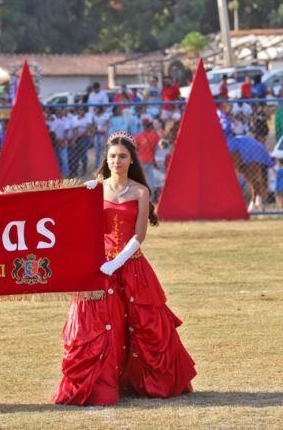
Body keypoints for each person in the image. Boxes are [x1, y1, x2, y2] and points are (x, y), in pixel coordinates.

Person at [55, 131, 195, 406]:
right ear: (106, 159)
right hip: (100, 267)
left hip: (131, 266)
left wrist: (117, 262)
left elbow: (139, 235)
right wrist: (82, 198)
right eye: (112, 156)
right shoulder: (95, 189)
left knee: (146, 326)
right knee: (97, 328)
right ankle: (99, 385)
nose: (116, 161)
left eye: (122, 156)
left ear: (131, 160)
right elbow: (78, 228)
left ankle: (148, 382)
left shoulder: (140, 191)